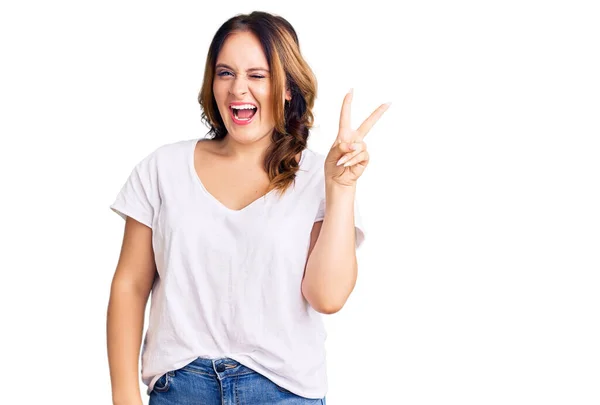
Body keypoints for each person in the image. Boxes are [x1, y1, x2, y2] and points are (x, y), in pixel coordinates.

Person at [106, 10, 389, 405]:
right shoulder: (163, 169)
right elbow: (130, 286)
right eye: (225, 73)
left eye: (258, 75)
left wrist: (340, 188)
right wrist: (124, 396)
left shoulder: (315, 176)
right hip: (180, 390)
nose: (239, 88)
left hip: (284, 392)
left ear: (288, 88)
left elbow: (327, 297)